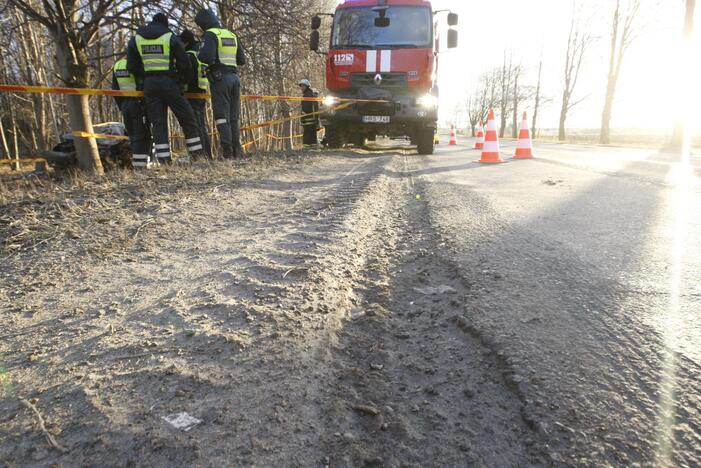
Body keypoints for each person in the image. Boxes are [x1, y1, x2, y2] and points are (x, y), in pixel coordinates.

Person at [127, 12, 204, 164]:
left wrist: (145, 78)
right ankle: (196, 156)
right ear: (165, 24)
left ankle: (164, 160)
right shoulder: (170, 37)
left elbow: (132, 66)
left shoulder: (136, 39)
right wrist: (182, 81)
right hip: (169, 83)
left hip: (150, 85)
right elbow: (184, 63)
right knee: (188, 118)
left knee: (158, 123)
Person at [195, 9, 246, 159]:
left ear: (203, 24)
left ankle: (227, 152)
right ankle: (237, 152)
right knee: (233, 117)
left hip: (220, 79)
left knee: (221, 117)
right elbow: (241, 60)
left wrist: (200, 52)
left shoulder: (211, 34)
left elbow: (205, 56)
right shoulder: (231, 34)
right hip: (235, 79)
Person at [112, 53, 152, 169]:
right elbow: (142, 85)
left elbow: (115, 89)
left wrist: (122, 106)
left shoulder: (118, 65)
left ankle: (137, 164)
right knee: (142, 134)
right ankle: (140, 166)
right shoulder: (137, 64)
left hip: (125, 104)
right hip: (138, 104)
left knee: (132, 135)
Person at [180, 29, 212, 159]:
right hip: (202, 91)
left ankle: (201, 155)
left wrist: (182, 87)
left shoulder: (190, 55)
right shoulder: (200, 51)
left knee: (195, 124)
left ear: (186, 42)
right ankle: (207, 154)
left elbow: (188, 75)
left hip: (192, 92)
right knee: (201, 125)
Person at [298, 79, 319, 148]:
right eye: (301, 86)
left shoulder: (308, 95)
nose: (301, 88)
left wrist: (303, 115)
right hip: (311, 117)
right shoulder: (310, 94)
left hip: (308, 118)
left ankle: (307, 146)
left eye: (303, 86)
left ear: (307, 86)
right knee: (311, 131)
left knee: (308, 132)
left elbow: (307, 108)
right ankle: (313, 145)